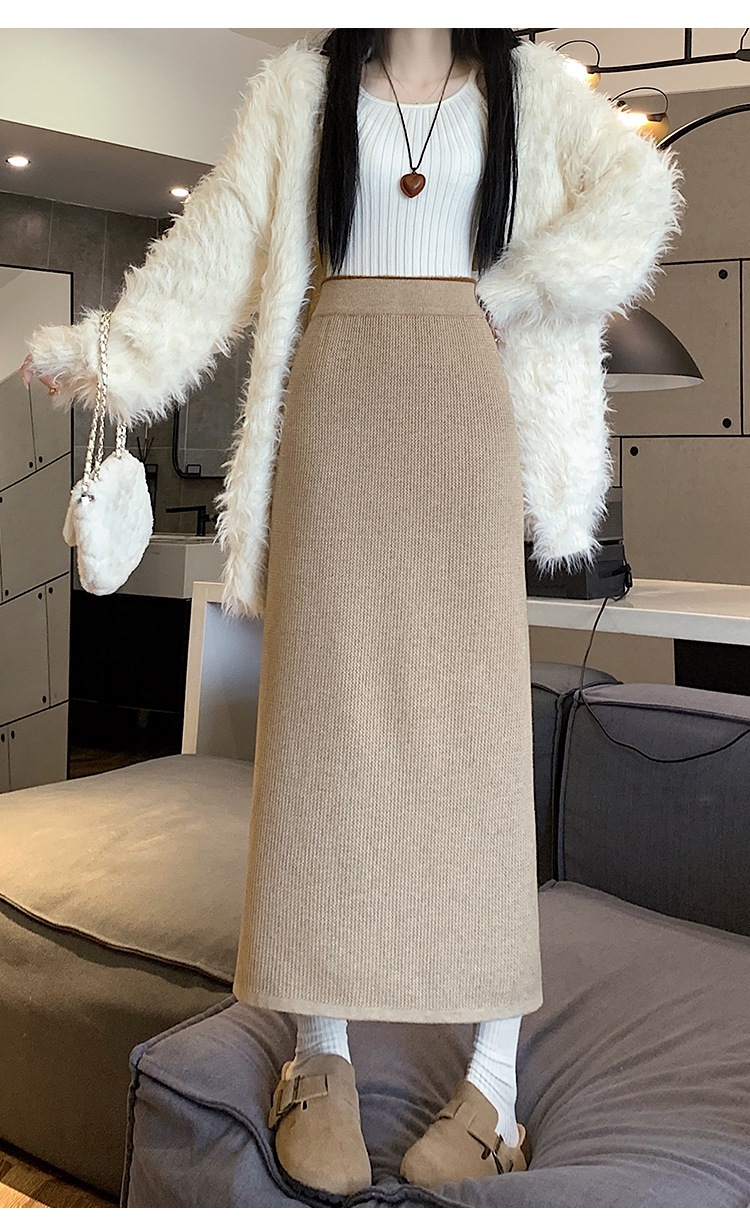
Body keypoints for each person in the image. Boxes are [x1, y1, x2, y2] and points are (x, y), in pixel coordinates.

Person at [21, 27, 685, 1198]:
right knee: (321, 724)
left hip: (468, 410)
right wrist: (111, 353)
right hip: (334, 407)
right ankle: (319, 1051)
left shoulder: (535, 90)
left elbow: (639, 195)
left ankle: (495, 1081)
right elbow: (218, 237)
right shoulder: (301, 87)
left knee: (474, 732)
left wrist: (520, 285)